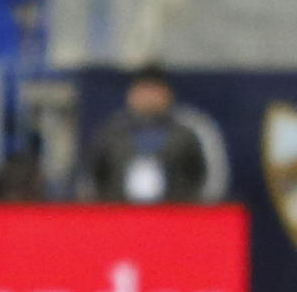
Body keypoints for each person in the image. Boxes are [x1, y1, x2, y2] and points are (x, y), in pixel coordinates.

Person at [83, 65, 209, 204]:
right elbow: (93, 178)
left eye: (155, 91)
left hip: (174, 216)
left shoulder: (187, 133)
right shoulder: (110, 134)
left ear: (168, 94)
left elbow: (201, 177)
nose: (149, 97)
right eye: (143, 91)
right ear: (131, 94)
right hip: (120, 216)